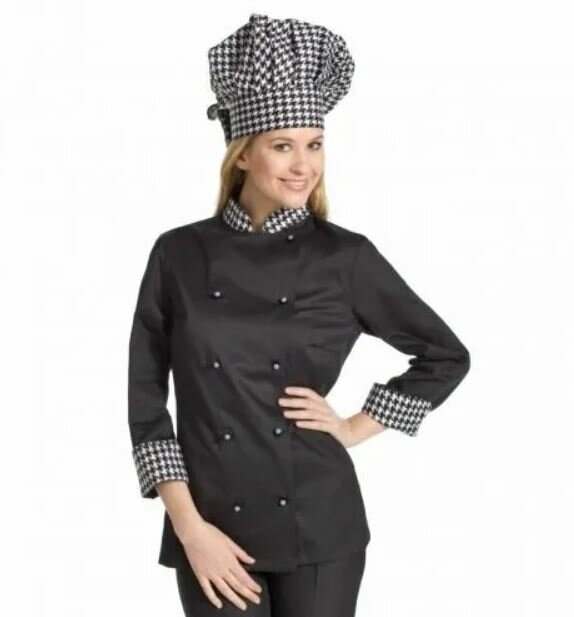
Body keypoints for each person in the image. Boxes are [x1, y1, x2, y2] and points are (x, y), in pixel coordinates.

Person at [127, 13, 471, 617]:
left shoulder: (345, 257)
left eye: (314, 144)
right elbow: (146, 402)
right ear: (242, 155)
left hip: (321, 525)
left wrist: (355, 426)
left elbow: (445, 356)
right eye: (282, 145)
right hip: (211, 525)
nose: (303, 165)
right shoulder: (177, 254)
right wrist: (189, 527)